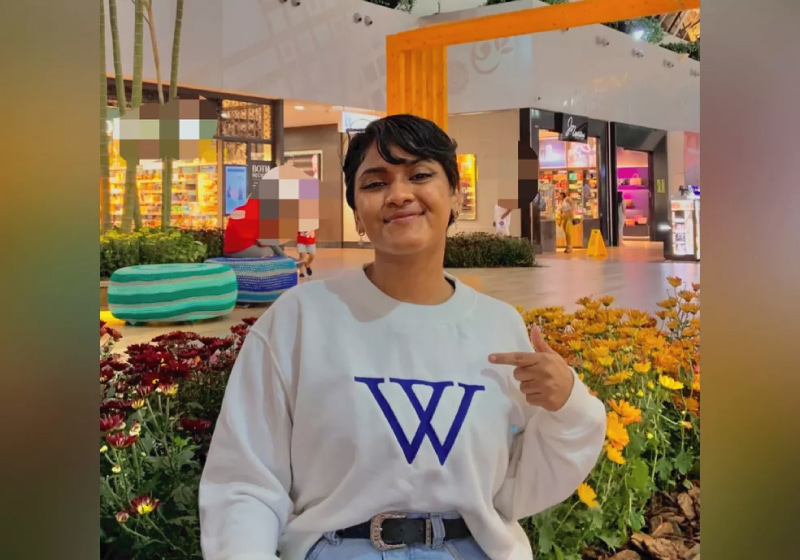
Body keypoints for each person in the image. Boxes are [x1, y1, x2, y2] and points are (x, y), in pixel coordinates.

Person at [199, 114, 606, 560]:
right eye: (375, 183)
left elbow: (519, 488)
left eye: (420, 174)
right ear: (356, 212)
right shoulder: (299, 319)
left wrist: (568, 405)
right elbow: (244, 479)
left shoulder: (498, 326)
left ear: (454, 195)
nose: (399, 194)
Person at [223, 195, 292, 259]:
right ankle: (285, 259)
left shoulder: (238, 209)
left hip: (227, 251)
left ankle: (284, 257)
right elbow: (263, 242)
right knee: (270, 251)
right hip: (241, 251)